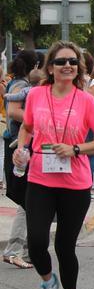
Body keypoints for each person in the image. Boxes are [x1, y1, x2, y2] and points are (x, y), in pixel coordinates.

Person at [13, 41, 94, 289]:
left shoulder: (85, 100)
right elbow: (27, 128)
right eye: (60, 61)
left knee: (64, 247)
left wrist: (76, 149)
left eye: (72, 61)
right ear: (50, 67)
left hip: (75, 183)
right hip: (40, 179)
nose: (67, 65)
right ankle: (48, 283)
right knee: (36, 242)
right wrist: (21, 149)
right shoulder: (36, 95)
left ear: (78, 68)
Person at [2, 50, 39, 270]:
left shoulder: (19, 83)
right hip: (19, 147)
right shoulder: (20, 85)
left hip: (21, 146)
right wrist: (42, 118)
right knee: (28, 200)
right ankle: (14, 250)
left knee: (30, 200)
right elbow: (13, 111)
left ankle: (28, 250)